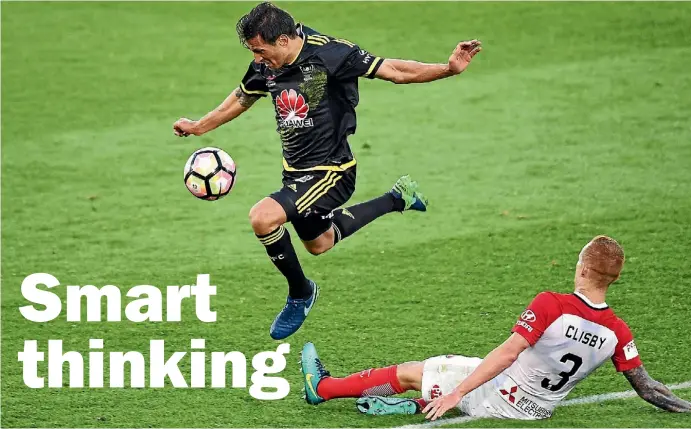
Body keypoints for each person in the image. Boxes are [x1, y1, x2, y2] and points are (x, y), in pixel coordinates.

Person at [172, 2, 481, 340]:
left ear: (285, 39)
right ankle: (398, 198)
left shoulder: (332, 54)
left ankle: (300, 293)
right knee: (319, 243)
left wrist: (448, 69)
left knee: (263, 218)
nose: (257, 59)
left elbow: (395, 70)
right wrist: (200, 126)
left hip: (332, 171)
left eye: (261, 51)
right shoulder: (266, 66)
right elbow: (241, 97)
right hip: (295, 173)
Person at [300, 236, 691, 419]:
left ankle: (324, 390)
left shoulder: (553, 304)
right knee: (446, 374)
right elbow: (646, 386)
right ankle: (406, 407)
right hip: (538, 409)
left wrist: (458, 392)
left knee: (419, 370)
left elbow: (507, 353)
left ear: (582, 267)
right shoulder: (618, 331)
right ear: (612, 278)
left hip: (501, 394)